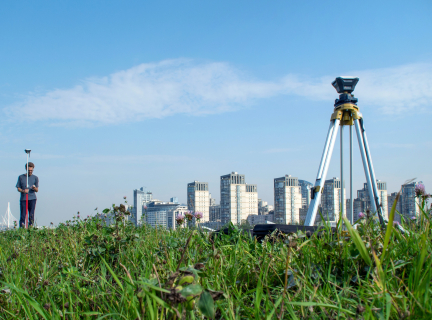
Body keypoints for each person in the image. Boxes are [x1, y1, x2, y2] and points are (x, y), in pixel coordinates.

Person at [16, 162, 39, 228]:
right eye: (29, 170)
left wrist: (34, 188)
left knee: (31, 215)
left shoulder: (35, 178)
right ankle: (22, 228)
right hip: (24, 199)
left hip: (32, 198)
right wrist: (23, 191)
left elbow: (37, 190)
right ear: (26, 169)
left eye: (31, 170)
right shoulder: (21, 177)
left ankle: (31, 228)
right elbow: (18, 188)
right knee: (23, 215)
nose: (30, 172)